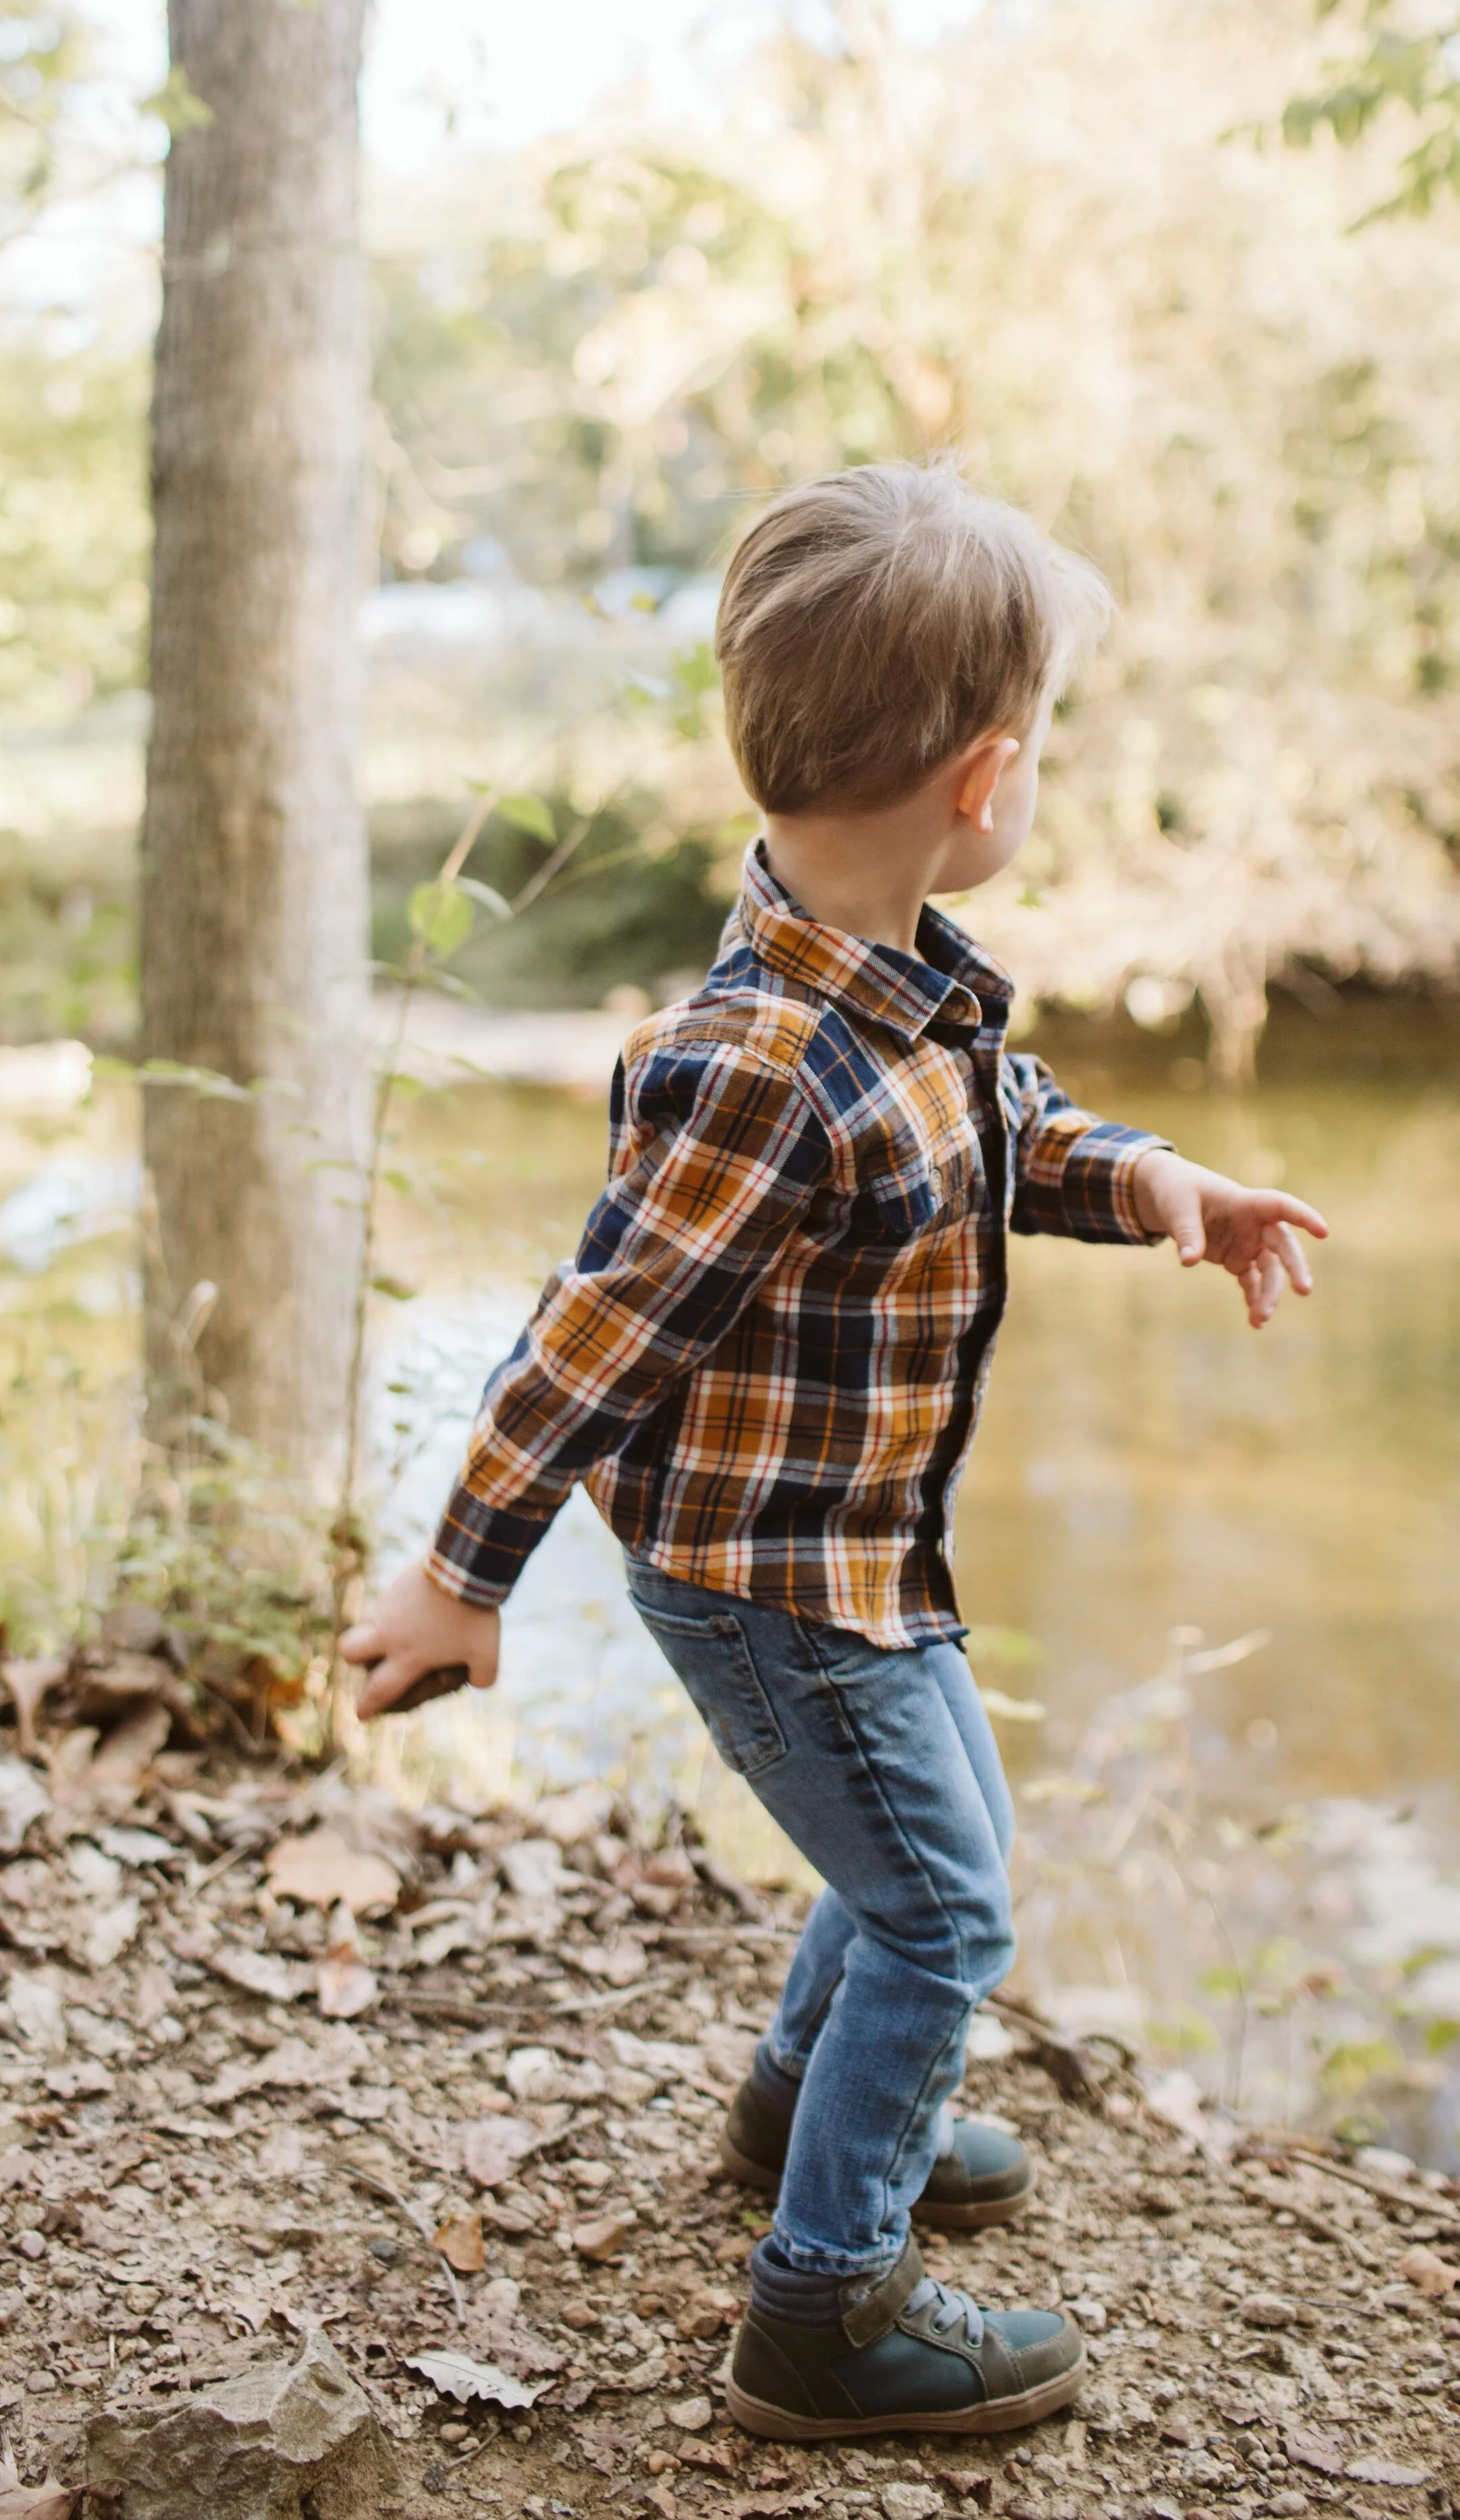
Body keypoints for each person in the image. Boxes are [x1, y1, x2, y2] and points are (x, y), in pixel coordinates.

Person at [342, 461, 1327, 2440]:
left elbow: (997, 1127)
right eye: (1037, 749)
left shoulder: (881, 988)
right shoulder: (761, 1061)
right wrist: (459, 1577)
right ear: (983, 779)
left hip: (854, 1546)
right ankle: (823, 2304)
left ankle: (811, 2109)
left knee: (929, 1853)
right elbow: (579, 1349)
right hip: (764, 1576)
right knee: (942, 1907)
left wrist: (1152, 1184)